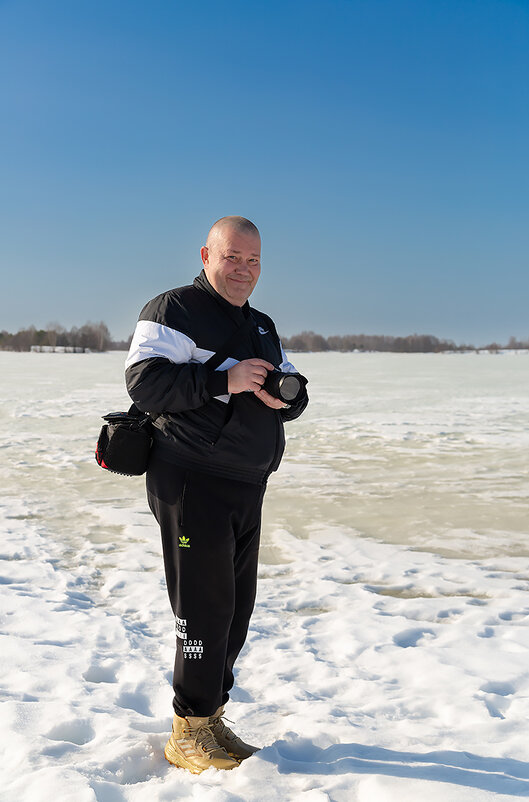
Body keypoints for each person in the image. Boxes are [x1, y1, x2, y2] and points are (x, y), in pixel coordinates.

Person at [125, 216, 308, 774]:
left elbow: (294, 389)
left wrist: (287, 398)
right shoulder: (173, 310)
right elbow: (145, 381)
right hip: (191, 477)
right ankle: (188, 729)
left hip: (244, 482)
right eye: (234, 257)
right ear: (207, 254)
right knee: (203, 607)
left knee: (234, 609)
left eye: (253, 261)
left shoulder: (261, 324)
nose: (244, 270)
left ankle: (209, 715)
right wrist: (223, 380)